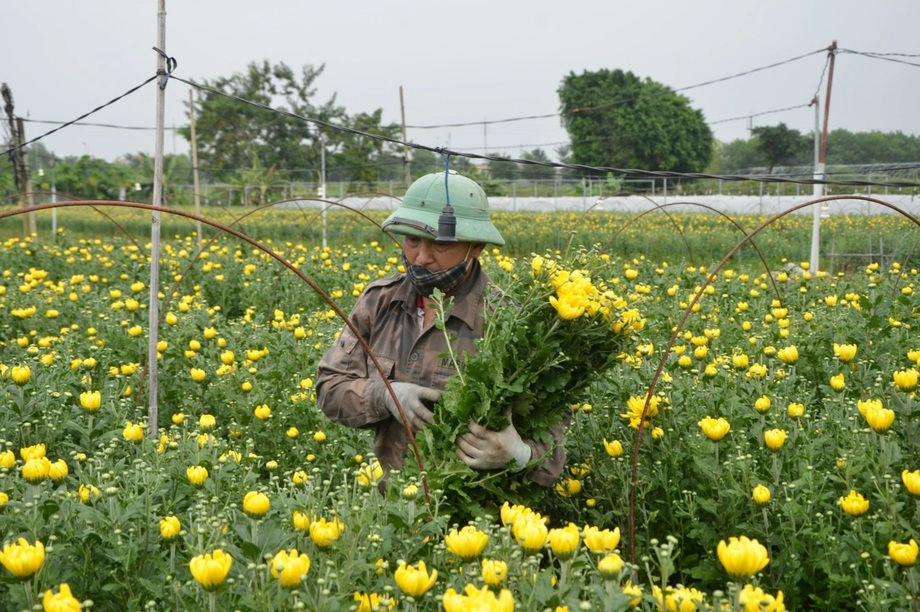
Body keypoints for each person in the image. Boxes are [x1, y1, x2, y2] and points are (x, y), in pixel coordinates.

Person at [316, 171, 564, 488]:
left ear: (476, 248)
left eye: (440, 244)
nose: (421, 257)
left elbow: (554, 449)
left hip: (482, 518)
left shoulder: (511, 324)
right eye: (412, 240)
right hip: (394, 508)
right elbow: (330, 387)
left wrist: (518, 454)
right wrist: (385, 395)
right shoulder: (379, 302)